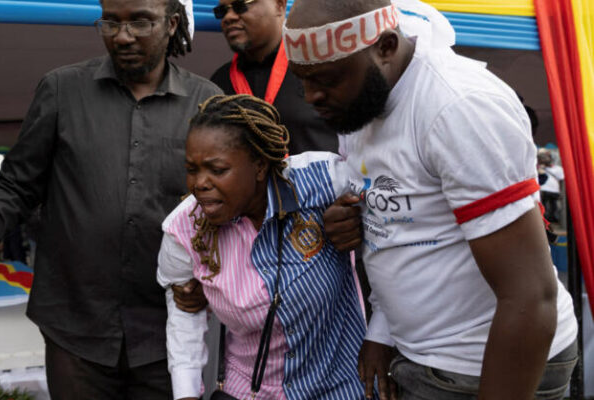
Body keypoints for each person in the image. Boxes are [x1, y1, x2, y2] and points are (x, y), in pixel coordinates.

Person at [284, 0, 579, 398]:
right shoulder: (362, 99)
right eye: (303, 79)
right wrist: (382, 330)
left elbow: (531, 296)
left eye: (327, 79)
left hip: (484, 363)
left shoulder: (458, 107)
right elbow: (406, 222)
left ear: (386, 46)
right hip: (426, 355)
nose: (311, 96)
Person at [0, 0, 221, 395]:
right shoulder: (61, 90)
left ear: (171, 25)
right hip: (75, 327)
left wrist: (212, 277)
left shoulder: (207, 101)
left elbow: (225, 208)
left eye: (139, 22)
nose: (122, 35)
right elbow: (17, 185)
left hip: (169, 330)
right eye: (110, 22)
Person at [158, 95, 366, 400]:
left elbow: (390, 211)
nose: (199, 183)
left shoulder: (323, 181)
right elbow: (184, 317)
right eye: (192, 169)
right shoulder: (184, 229)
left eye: (217, 169)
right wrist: (187, 393)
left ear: (258, 166)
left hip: (342, 385)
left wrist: (360, 221)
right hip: (252, 391)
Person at [208, 0, 337, 155]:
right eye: (222, 11)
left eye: (240, 6)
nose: (228, 17)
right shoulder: (217, 83)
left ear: (279, 5)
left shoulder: (322, 67)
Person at [537, 149, 563, 224]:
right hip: (549, 190)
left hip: (546, 190)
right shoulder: (557, 169)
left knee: (549, 205)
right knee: (551, 205)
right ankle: (550, 218)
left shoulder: (540, 168)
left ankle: (548, 218)